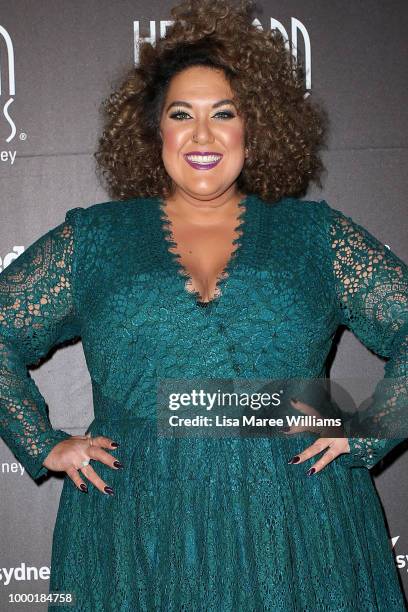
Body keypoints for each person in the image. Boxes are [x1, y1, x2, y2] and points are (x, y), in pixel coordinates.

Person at [0, 0, 407, 609]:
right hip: (137, 524)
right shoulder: (96, 239)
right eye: (181, 114)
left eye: (224, 113)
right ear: (153, 130)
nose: (202, 135)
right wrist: (41, 440)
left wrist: (371, 427)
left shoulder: (314, 235)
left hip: (300, 523)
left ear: (256, 127)